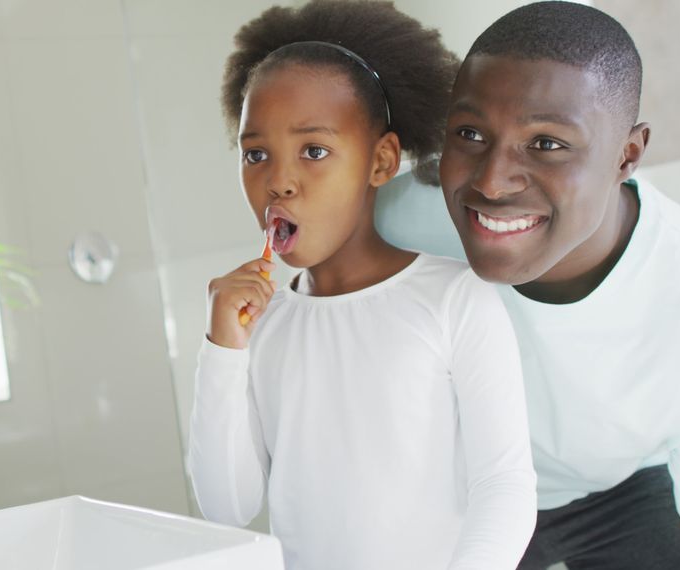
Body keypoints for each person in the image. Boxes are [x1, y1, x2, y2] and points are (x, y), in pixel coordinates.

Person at [376, 2, 680, 568]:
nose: (492, 183)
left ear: (627, 155)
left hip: (613, 495)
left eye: (546, 143)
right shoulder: (395, 222)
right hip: (454, 492)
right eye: (470, 133)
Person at [187, 2, 537, 569]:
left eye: (314, 151)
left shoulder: (453, 298)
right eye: (256, 154)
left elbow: (505, 486)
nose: (279, 181)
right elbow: (227, 507)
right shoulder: (262, 324)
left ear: (381, 161)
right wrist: (221, 350)